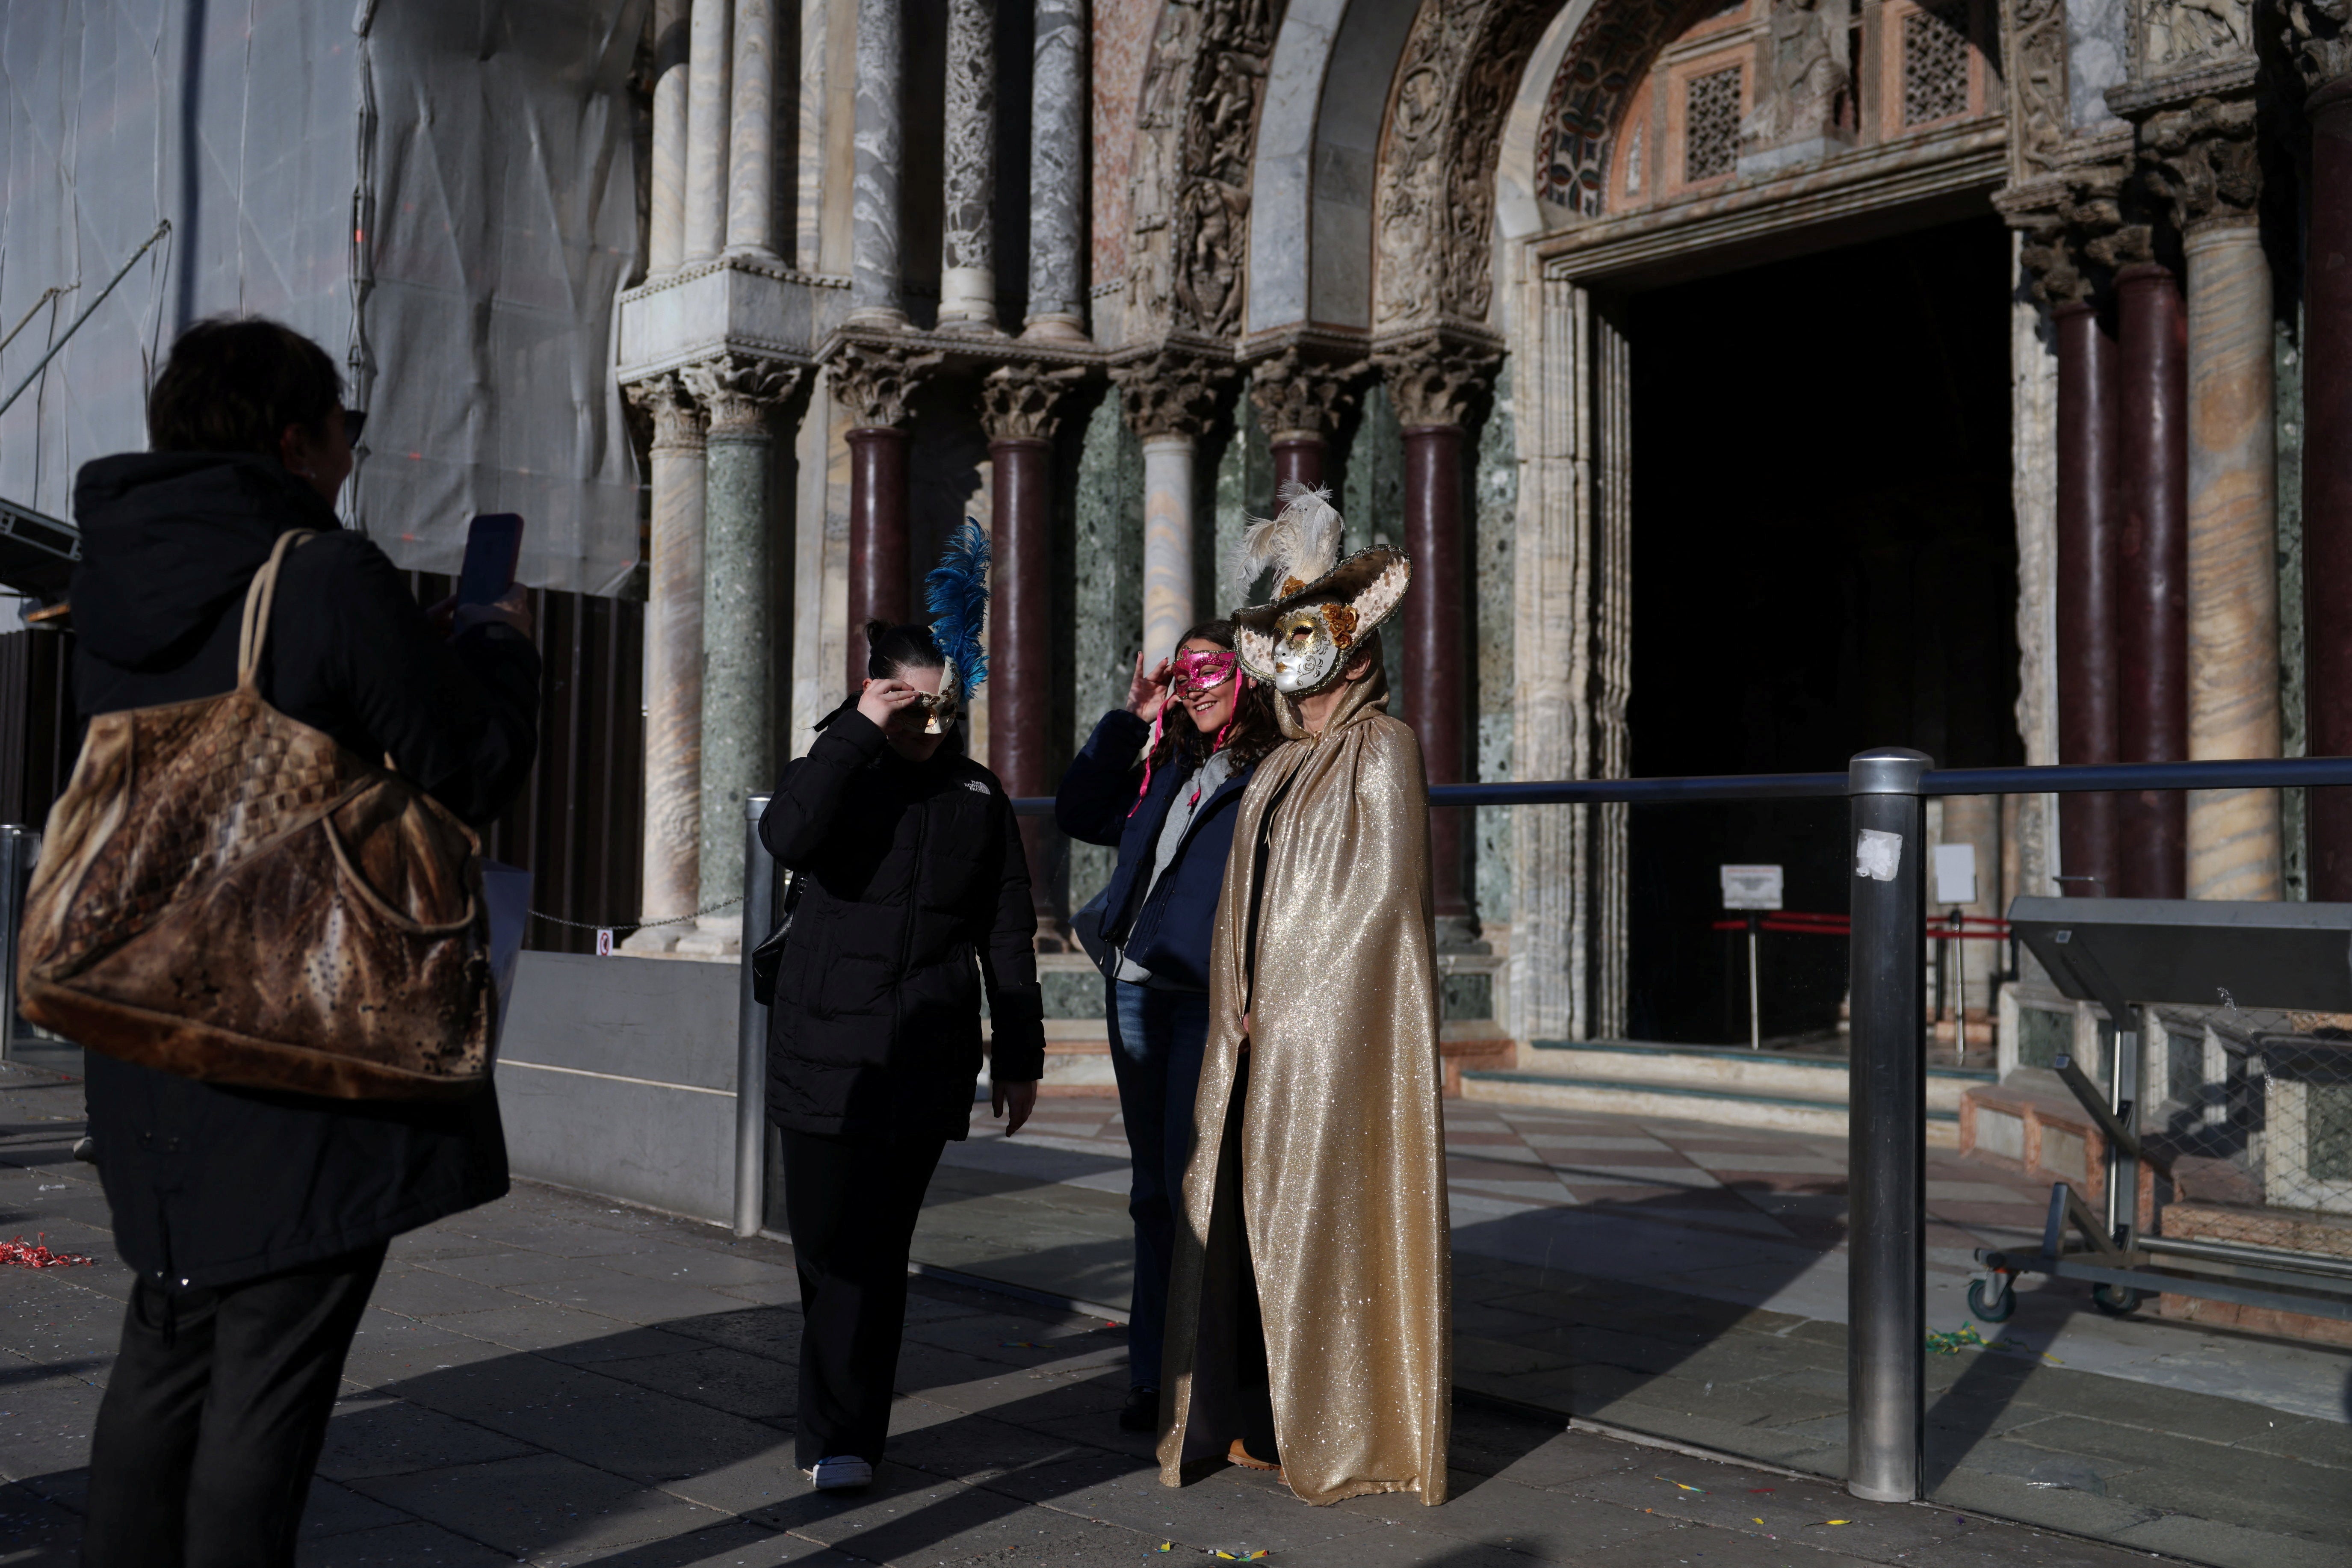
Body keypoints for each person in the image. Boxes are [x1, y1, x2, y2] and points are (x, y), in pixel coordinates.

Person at [70, 316, 541, 1566]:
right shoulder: (323, 572)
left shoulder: (117, 588)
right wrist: (496, 643)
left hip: (145, 1028)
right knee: (267, 1381)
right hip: (292, 1036)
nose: (350, 459)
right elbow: (468, 764)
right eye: (346, 434)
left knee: (166, 1350)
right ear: (293, 440)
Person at [1156, 484, 1450, 1506]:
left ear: (1352, 651)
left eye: (1310, 642)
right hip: (1251, 1037)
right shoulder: (1280, 766)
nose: (1298, 671)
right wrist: (1244, 1004)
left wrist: (1293, 1009)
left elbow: (1379, 908)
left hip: (1331, 1041)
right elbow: (1249, 899)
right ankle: (1248, 1413)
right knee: (1237, 1218)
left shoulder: (1383, 751)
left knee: (1324, 1218)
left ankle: (1329, 1417)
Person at [758, 525, 1046, 1494]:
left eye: (942, 706)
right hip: (820, 1049)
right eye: (907, 705)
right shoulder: (839, 770)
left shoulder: (975, 794)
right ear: (876, 690)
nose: (927, 725)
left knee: (873, 1256)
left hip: (921, 1056)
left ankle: (842, 1437)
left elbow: (1008, 934)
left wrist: (1019, 1053)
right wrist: (855, 731)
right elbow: (784, 833)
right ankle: (835, 1404)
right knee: (824, 1248)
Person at [1055, 621, 1280, 1437]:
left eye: (1210, 668)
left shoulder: (1272, 767)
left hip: (1208, 999)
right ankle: (1153, 1377)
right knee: (1154, 1192)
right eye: (1182, 674)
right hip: (1135, 992)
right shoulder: (1169, 760)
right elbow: (1081, 811)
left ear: (1248, 675)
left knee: (1203, 1189)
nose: (1194, 684)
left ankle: (1218, 1381)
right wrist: (1130, 716)